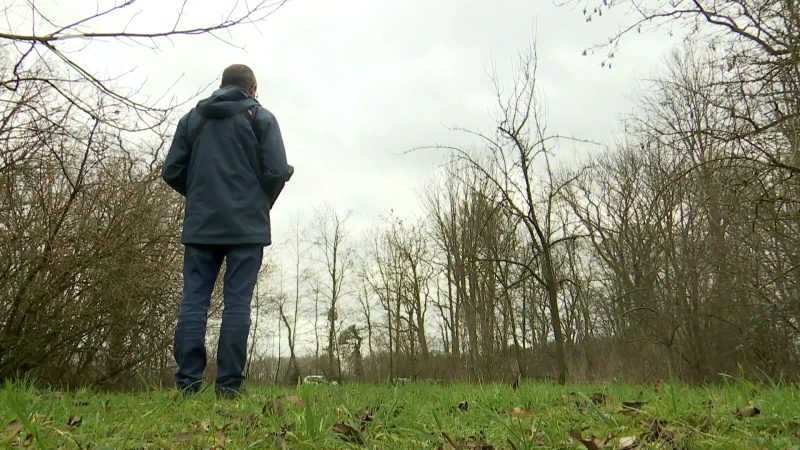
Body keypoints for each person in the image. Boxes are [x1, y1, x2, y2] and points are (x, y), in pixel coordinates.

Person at [161, 64, 293, 398]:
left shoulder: (194, 119)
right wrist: (259, 200)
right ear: (253, 88)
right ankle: (228, 387)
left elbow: (172, 170)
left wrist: (202, 196)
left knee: (193, 301)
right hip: (247, 227)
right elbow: (277, 169)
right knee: (237, 304)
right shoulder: (261, 119)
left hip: (202, 225)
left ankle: (188, 385)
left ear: (220, 86)